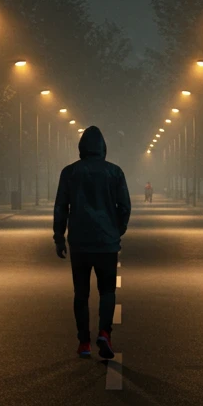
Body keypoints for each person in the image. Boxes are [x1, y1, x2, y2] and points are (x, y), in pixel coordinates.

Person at [54, 125, 131, 360]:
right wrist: (116, 231)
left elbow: (61, 208)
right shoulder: (115, 172)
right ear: (103, 148)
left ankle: (84, 342)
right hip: (106, 244)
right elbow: (125, 207)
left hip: (79, 243)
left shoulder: (69, 173)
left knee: (81, 293)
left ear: (81, 148)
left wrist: (59, 237)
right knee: (107, 291)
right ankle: (105, 333)